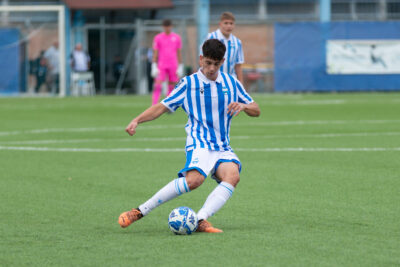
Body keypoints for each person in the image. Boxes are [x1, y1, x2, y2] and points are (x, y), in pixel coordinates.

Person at [118, 39, 260, 233]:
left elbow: (256, 109)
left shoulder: (230, 82)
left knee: (232, 176)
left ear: (222, 62)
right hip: (199, 142)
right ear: (201, 59)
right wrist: (137, 120)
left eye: (216, 64)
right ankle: (140, 211)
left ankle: (201, 219)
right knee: (194, 181)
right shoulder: (188, 83)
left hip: (222, 145)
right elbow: (162, 106)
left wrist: (244, 106)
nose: (211, 68)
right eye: (208, 63)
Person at [204, 12, 244, 84]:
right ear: (220, 24)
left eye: (231, 23)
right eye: (226, 23)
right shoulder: (211, 37)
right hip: (212, 79)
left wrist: (240, 84)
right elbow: (202, 60)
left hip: (229, 81)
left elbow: (238, 65)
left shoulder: (237, 42)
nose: (229, 26)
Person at [151, 19, 184, 105]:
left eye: (168, 26)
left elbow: (179, 52)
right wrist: (154, 65)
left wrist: (180, 66)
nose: (167, 28)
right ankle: (154, 103)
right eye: (165, 27)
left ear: (171, 26)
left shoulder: (176, 38)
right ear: (163, 27)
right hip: (161, 64)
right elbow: (155, 52)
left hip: (173, 64)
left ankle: (169, 104)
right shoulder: (158, 38)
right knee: (158, 84)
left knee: (172, 84)